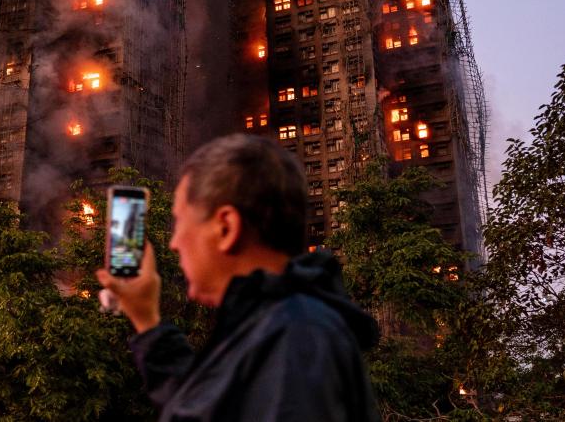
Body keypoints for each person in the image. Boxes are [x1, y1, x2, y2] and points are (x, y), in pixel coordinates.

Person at [96, 134, 380, 421]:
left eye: (180, 221)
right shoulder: (277, 327)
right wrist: (146, 320)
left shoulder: (297, 340)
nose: (174, 242)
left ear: (226, 227)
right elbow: (203, 408)